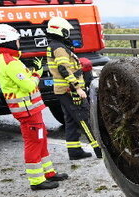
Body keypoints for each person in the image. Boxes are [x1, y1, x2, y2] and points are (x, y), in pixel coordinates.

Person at [0, 24, 66, 191]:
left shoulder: (6, 60)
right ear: (9, 42)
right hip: (27, 110)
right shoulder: (11, 63)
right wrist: (36, 74)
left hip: (30, 109)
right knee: (34, 142)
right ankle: (37, 180)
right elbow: (28, 86)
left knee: (41, 138)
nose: (19, 43)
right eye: (17, 40)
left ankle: (48, 172)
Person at [45, 16, 101, 160]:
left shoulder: (56, 46)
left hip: (63, 90)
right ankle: (99, 150)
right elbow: (64, 69)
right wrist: (78, 88)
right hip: (69, 90)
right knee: (83, 119)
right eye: (66, 31)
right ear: (60, 31)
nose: (68, 33)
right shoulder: (58, 48)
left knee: (70, 120)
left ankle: (74, 150)